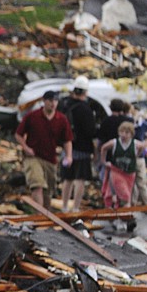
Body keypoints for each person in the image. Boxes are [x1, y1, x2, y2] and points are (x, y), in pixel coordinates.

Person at [14, 90, 73, 211]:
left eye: (55, 101)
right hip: (33, 156)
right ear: (44, 101)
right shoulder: (33, 116)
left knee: (47, 192)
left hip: (50, 159)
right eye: (50, 101)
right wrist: (26, 148)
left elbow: (67, 140)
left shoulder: (61, 119)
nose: (53, 103)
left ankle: (45, 217)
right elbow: (18, 134)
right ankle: (39, 215)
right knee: (37, 185)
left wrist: (69, 156)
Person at [98, 121, 147, 230]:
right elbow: (103, 148)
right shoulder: (115, 143)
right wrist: (103, 161)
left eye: (127, 132)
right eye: (122, 132)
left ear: (131, 134)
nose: (124, 135)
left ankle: (122, 218)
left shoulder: (135, 144)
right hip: (117, 172)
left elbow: (143, 147)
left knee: (125, 197)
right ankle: (123, 218)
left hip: (129, 174)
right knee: (123, 196)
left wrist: (137, 155)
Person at [60, 75, 96, 212]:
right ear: (85, 92)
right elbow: (90, 131)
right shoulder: (86, 109)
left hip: (66, 147)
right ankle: (75, 207)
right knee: (80, 179)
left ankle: (64, 206)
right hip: (83, 149)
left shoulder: (65, 105)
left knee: (67, 179)